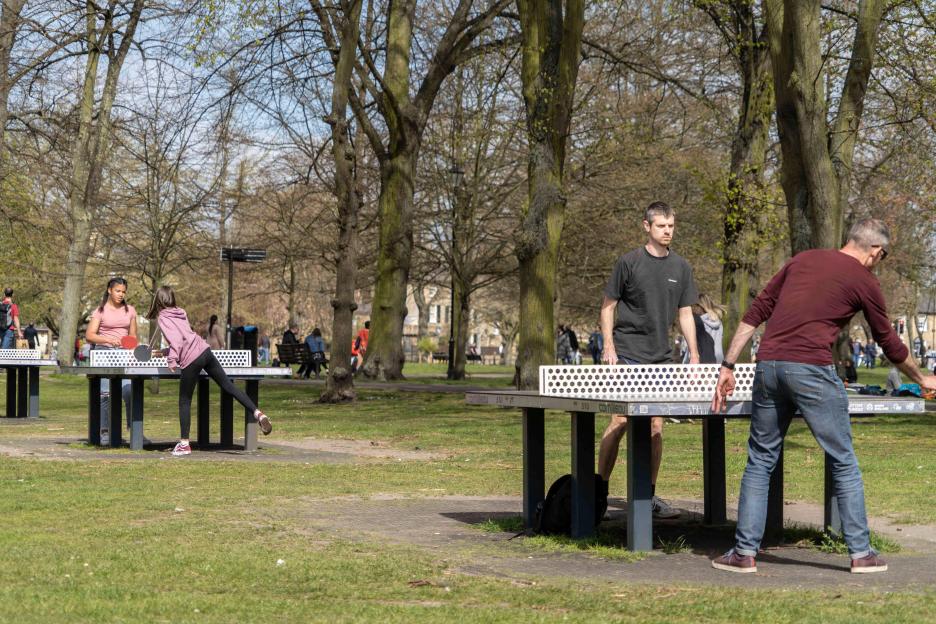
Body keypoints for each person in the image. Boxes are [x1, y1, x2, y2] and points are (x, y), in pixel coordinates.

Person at [710, 218, 936, 575]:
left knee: (760, 460)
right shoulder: (865, 280)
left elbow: (758, 311)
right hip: (811, 370)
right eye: (884, 254)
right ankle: (861, 553)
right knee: (842, 459)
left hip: (768, 365)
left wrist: (728, 364)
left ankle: (743, 553)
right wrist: (921, 376)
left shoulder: (803, 259)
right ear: (875, 251)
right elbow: (888, 342)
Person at [599, 201, 699, 519]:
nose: (667, 231)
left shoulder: (681, 267)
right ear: (647, 226)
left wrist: (694, 354)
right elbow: (607, 307)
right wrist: (609, 347)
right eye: (661, 226)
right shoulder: (628, 263)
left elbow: (685, 314)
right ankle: (598, 491)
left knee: (656, 426)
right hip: (627, 355)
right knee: (620, 421)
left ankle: (648, 496)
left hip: (661, 359)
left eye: (671, 226)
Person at [148, 286, 272, 456]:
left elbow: (176, 341)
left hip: (191, 359)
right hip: (205, 352)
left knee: (184, 400)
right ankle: (258, 414)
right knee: (228, 386)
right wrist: (164, 352)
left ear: (158, 300)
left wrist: (171, 359)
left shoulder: (162, 317)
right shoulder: (180, 311)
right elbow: (186, 339)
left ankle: (184, 445)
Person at [85, 277, 137, 441]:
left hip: (123, 355)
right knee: (106, 394)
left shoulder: (131, 311)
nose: (121, 294)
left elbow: (133, 337)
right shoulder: (100, 311)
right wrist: (108, 340)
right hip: (104, 354)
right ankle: (105, 431)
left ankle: (133, 428)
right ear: (109, 290)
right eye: (118, 291)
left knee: (129, 391)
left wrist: (130, 349)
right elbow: (90, 335)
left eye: (123, 291)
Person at [692, 294, 725, 365]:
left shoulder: (698, 323)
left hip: (703, 358)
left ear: (700, 306)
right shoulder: (719, 322)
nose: (693, 309)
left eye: (694, 306)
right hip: (719, 357)